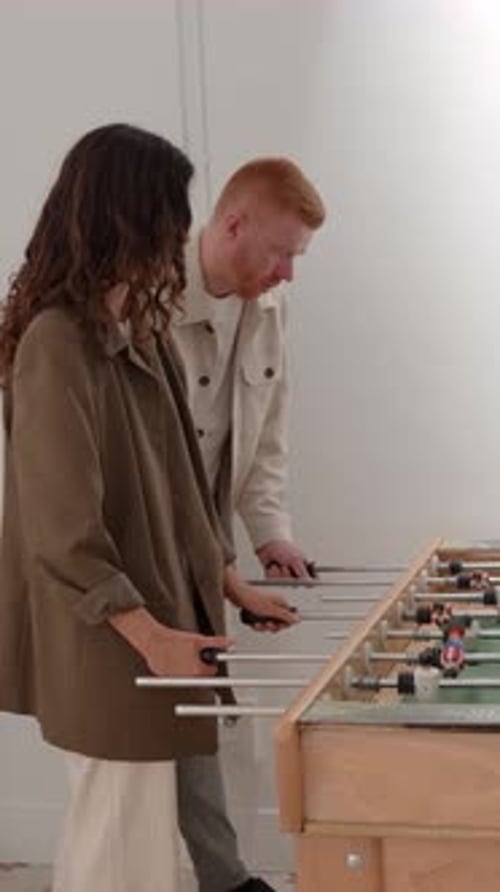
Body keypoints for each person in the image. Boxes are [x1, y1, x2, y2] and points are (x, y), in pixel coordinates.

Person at [0, 124, 297, 892]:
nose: (178, 230)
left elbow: (184, 491)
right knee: (118, 851)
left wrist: (226, 583)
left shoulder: (139, 332)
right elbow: (62, 530)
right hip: (109, 643)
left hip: (159, 626)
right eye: (169, 209)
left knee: (142, 852)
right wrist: (149, 635)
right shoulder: (56, 343)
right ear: (127, 214)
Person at [172, 158, 325, 890]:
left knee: (208, 713)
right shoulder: (152, 298)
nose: (289, 272)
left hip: (205, 541)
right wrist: (227, 578)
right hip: (143, 538)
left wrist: (270, 531)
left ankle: (224, 877)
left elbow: (266, 434)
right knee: (162, 720)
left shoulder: (270, 308)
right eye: (282, 252)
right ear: (233, 225)